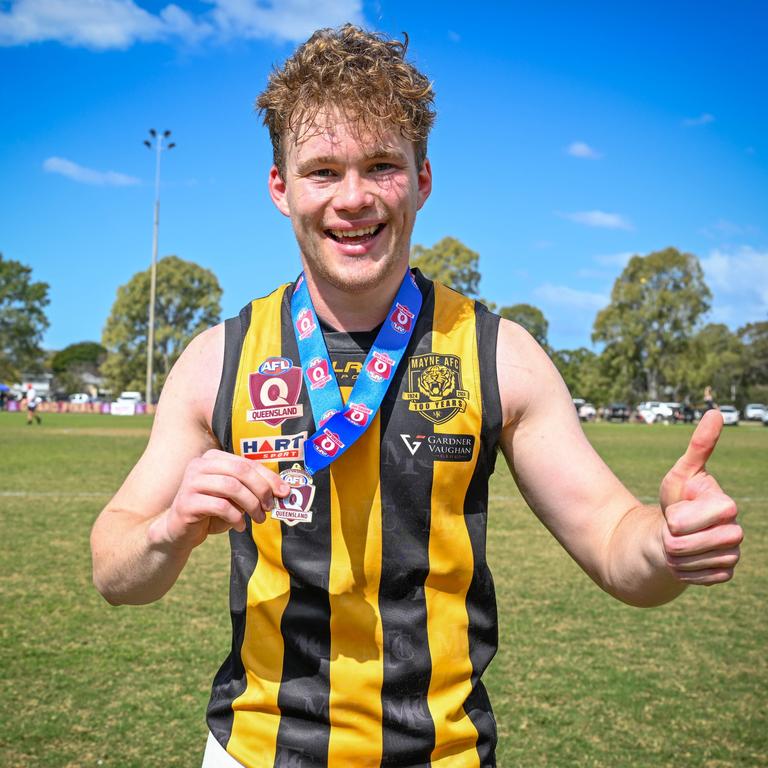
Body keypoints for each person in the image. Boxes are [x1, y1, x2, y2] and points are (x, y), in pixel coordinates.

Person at [90, 25, 743, 768]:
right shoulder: (218, 359)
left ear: (423, 179)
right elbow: (113, 571)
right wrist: (167, 529)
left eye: (381, 166)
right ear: (280, 188)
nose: (354, 199)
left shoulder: (501, 355)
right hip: (257, 751)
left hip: (443, 755)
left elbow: (614, 542)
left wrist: (667, 543)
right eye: (323, 172)